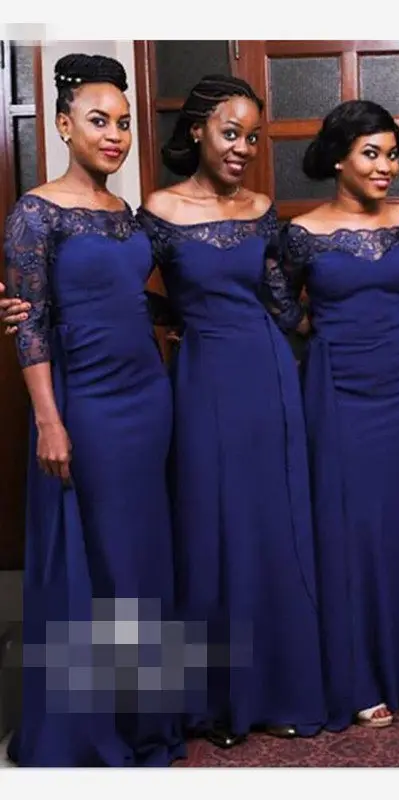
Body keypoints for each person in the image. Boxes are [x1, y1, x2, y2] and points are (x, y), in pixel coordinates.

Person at [0, 53, 184, 766]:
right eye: (99, 121)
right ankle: (87, 727)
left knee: (142, 560)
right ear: (63, 125)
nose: (115, 136)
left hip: (148, 398)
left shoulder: (126, 216)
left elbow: (127, 300)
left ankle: (144, 718)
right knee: (99, 560)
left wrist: (188, 315)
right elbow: (32, 323)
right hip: (88, 404)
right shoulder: (35, 212)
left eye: (124, 124)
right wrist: (49, 420)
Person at [137, 75, 326, 748]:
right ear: (197, 132)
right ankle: (214, 699)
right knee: (209, 527)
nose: (244, 148)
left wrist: (358, 315)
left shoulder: (262, 209)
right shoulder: (158, 210)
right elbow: (118, 286)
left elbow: (280, 302)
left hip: (266, 373)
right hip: (203, 377)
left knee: (271, 527)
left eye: (252, 136)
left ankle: (276, 690)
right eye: (230, 133)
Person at [268, 100, 399, 730]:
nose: (386, 166)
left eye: (392, 154)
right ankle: (357, 673)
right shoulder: (302, 233)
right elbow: (280, 301)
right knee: (348, 531)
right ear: (339, 158)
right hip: (337, 392)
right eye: (371, 153)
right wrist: (323, 336)